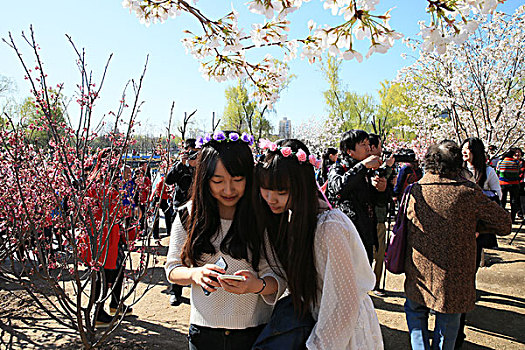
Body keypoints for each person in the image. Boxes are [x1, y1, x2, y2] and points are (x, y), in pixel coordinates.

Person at [254, 138, 383, 349]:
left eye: (282, 191)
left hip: (342, 333)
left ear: (301, 187)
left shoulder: (330, 226)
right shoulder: (295, 218)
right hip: (319, 322)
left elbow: (343, 305)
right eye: (265, 188)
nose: (271, 198)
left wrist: (317, 346)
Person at [165, 131, 284, 350]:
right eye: (218, 181)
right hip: (203, 333)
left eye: (237, 180)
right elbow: (172, 269)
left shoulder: (261, 218)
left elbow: (278, 278)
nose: (228, 190)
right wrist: (194, 274)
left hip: (254, 332)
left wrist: (256, 286)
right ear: (204, 179)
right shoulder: (188, 215)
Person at [403, 140, 511, 350]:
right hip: (455, 271)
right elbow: (504, 223)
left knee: (416, 313)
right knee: (449, 319)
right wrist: (476, 227)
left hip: (419, 269)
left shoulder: (414, 191)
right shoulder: (467, 192)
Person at [326, 129, 385, 264]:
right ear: (349, 150)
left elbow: (373, 201)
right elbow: (338, 189)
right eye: (363, 144)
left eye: (368, 144)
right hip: (348, 233)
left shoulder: (367, 171)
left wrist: (381, 189)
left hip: (366, 233)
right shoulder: (338, 168)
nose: (368, 148)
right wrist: (363, 166)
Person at [164, 138, 198, 306]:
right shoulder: (179, 167)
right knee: (179, 251)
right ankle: (175, 291)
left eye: (194, 151)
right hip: (180, 210)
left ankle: (198, 288)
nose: (191, 154)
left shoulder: (201, 167)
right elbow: (168, 181)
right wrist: (181, 164)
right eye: (188, 151)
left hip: (198, 210)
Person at [368, 133, 395, 297]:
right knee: (373, 253)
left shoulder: (378, 166)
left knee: (379, 253)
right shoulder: (368, 168)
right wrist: (388, 169)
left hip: (379, 216)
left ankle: (376, 283)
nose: (381, 150)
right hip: (372, 218)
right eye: (379, 146)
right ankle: (371, 284)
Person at [496, 149, 521, 222]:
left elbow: (497, 171)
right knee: (513, 201)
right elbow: (518, 171)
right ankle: (512, 218)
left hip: (503, 183)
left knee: (503, 200)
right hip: (514, 184)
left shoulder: (500, 162)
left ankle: (502, 217)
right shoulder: (516, 162)